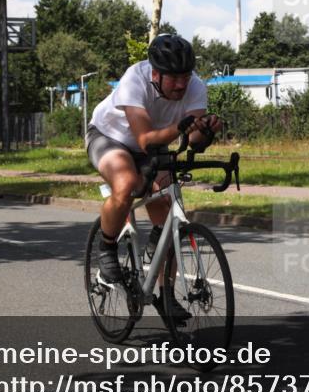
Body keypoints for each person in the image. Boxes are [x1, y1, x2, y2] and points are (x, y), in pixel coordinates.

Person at [85, 34, 223, 321]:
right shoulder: (134, 78)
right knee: (126, 184)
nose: (182, 84)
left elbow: (193, 138)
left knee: (168, 211)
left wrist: (205, 131)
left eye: (185, 76)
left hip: (155, 142)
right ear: (155, 74)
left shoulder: (195, 86)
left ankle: (167, 296)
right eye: (173, 78)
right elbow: (146, 139)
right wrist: (182, 127)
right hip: (111, 138)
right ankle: (107, 248)